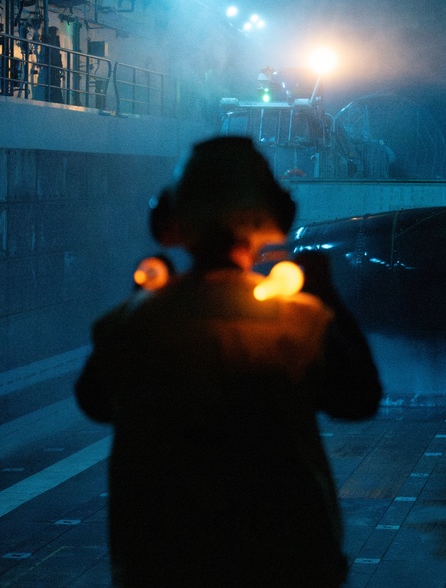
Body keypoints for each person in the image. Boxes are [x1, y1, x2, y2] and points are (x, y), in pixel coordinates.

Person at [75, 136, 382, 587]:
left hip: (161, 568)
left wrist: (146, 297)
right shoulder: (297, 322)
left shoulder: (132, 322)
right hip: (284, 566)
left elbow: (94, 402)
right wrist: (326, 294)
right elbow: (360, 399)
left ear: (169, 218)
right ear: (275, 216)